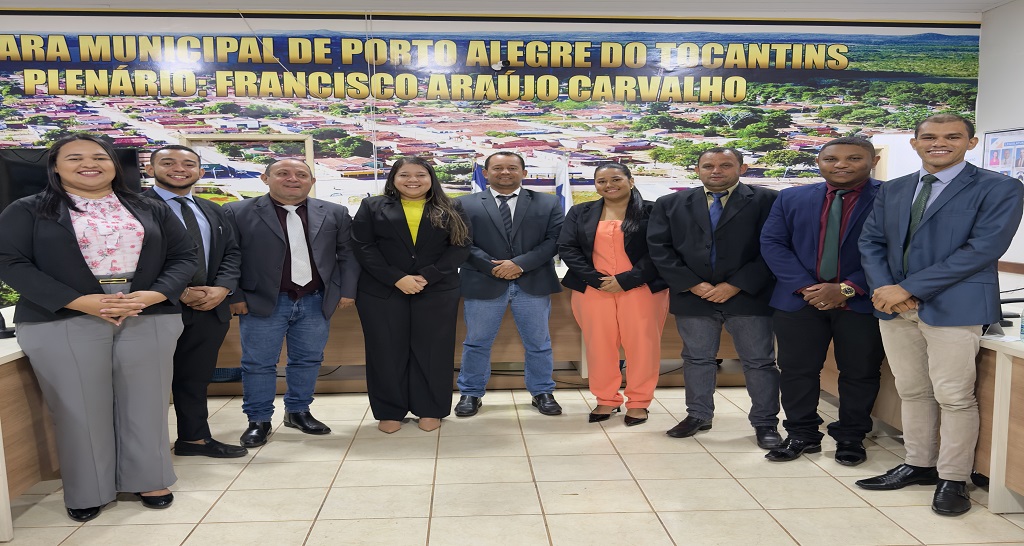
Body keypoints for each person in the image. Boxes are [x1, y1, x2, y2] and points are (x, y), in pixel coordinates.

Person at [0, 134, 197, 521]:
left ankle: (149, 478)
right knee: (79, 407)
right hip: (63, 314)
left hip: (145, 311)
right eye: (75, 157)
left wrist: (153, 295)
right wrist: (78, 301)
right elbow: (9, 260)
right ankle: (89, 489)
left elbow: (184, 255)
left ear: (114, 165)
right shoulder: (28, 209)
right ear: (55, 166)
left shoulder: (149, 207)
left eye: (99, 157)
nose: (88, 164)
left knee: (147, 401)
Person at [857, 114, 1024, 516]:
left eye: (952, 136)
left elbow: (983, 248)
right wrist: (886, 289)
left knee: (954, 396)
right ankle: (919, 463)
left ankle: (953, 478)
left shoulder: (999, 187)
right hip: (895, 307)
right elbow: (872, 242)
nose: (940, 143)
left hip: (955, 306)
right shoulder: (895, 188)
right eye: (929, 136)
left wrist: (909, 288)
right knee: (912, 390)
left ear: (971, 142)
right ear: (914, 142)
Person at [760, 137, 884, 465]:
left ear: (873, 161)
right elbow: (772, 243)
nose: (841, 164)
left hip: (861, 302)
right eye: (831, 158)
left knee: (860, 372)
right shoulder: (791, 197)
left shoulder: (891, 198)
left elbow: (895, 249)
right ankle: (801, 434)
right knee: (796, 371)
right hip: (799, 302)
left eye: (853, 158)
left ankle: (851, 436)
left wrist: (848, 288)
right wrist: (806, 287)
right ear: (819, 162)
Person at [647, 147, 781, 448]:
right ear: (697, 170)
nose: (716, 171)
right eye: (708, 166)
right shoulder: (671, 203)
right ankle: (698, 415)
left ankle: (765, 423)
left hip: (749, 295)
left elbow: (774, 247)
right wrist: (693, 284)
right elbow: (659, 249)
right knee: (696, 359)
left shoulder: (768, 200)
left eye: (725, 165)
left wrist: (735, 285)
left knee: (759, 362)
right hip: (694, 296)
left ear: (742, 168)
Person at [224, 158, 359, 448]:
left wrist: (348, 291)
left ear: (312, 181)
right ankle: (258, 420)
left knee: (308, 359)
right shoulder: (237, 211)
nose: (292, 179)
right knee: (259, 363)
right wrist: (234, 295)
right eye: (283, 173)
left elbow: (347, 254)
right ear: (265, 178)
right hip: (262, 301)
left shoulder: (334, 212)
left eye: (301, 174)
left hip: (315, 300)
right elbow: (229, 257)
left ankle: (298, 412)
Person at [352, 157, 471, 433]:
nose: (413, 180)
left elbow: (461, 246)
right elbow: (363, 246)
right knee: (385, 350)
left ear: (431, 178)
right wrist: (397, 278)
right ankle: (389, 411)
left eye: (420, 174)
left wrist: (428, 275)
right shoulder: (372, 206)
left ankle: (430, 409)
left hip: (436, 289)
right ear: (393, 178)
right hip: (382, 290)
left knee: (434, 350)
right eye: (405, 174)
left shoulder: (451, 206)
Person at [143, 145, 247, 458]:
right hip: (155, 308)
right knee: (146, 383)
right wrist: (178, 291)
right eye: (168, 162)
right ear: (150, 169)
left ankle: (194, 438)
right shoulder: (132, 207)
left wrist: (222, 289)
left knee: (195, 378)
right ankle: (145, 451)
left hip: (209, 308)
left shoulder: (213, 209)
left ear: (200, 172)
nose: (179, 168)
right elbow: (132, 260)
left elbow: (231, 252)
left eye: (189, 164)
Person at [558, 162, 669, 426]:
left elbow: (661, 249)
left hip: (641, 288)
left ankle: (639, 402)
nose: (609, 185)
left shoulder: (653, 210)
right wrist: (596, 280)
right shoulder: (580, 211)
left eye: (616, 179)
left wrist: (626, 280)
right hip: (593, 289)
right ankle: (606, 399)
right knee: (599, 346)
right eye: (602, 181)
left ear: (631, 181)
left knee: (643, 347)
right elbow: (567, 247)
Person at [454, 151, 564, 417]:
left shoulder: (547, 202)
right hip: (482, 280)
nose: (505, 172)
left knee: (538, 342)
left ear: (523, 172)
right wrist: (494, 267)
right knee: (477, 342)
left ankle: (542, 392)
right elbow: (461, 241)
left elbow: (555, 240)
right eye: (498, 168)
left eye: (512, 168)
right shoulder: (463, 203)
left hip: (532, 280)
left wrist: (519, 264)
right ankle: (470, 393)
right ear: (486, 173)